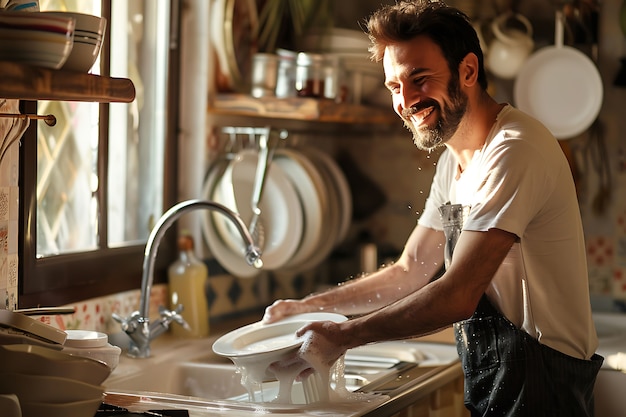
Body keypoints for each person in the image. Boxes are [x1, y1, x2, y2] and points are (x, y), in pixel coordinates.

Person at [263, 1, 603, 415]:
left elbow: (457, 295)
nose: (406, 101)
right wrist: (306, 308)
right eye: (394, 87)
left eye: (419, 79)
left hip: (545, 387)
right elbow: (410, 270)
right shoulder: (454, 160)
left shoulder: (514, 150)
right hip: (503, 381)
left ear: (468, 71)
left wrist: (343, 336)